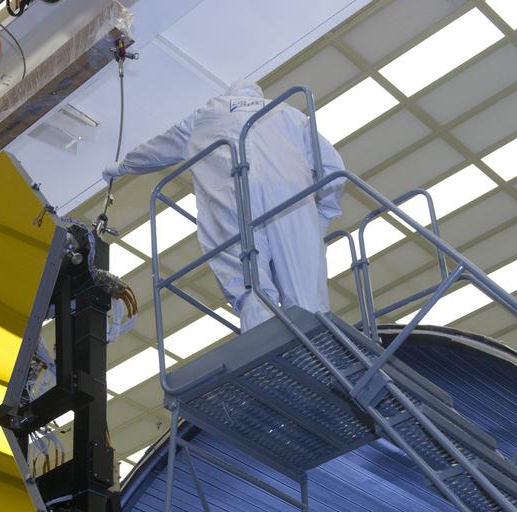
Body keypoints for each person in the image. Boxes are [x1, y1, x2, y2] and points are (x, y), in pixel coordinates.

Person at [101, 79, 345, 330]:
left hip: (231, 197)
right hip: (290, 198)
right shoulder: (289, 114)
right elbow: (333, 167)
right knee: (306, 292)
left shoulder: (205, 116)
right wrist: (324, 214)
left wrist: (122, 167)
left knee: (251, 286)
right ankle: (316, 343)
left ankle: (263, 346)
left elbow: (158, 149)